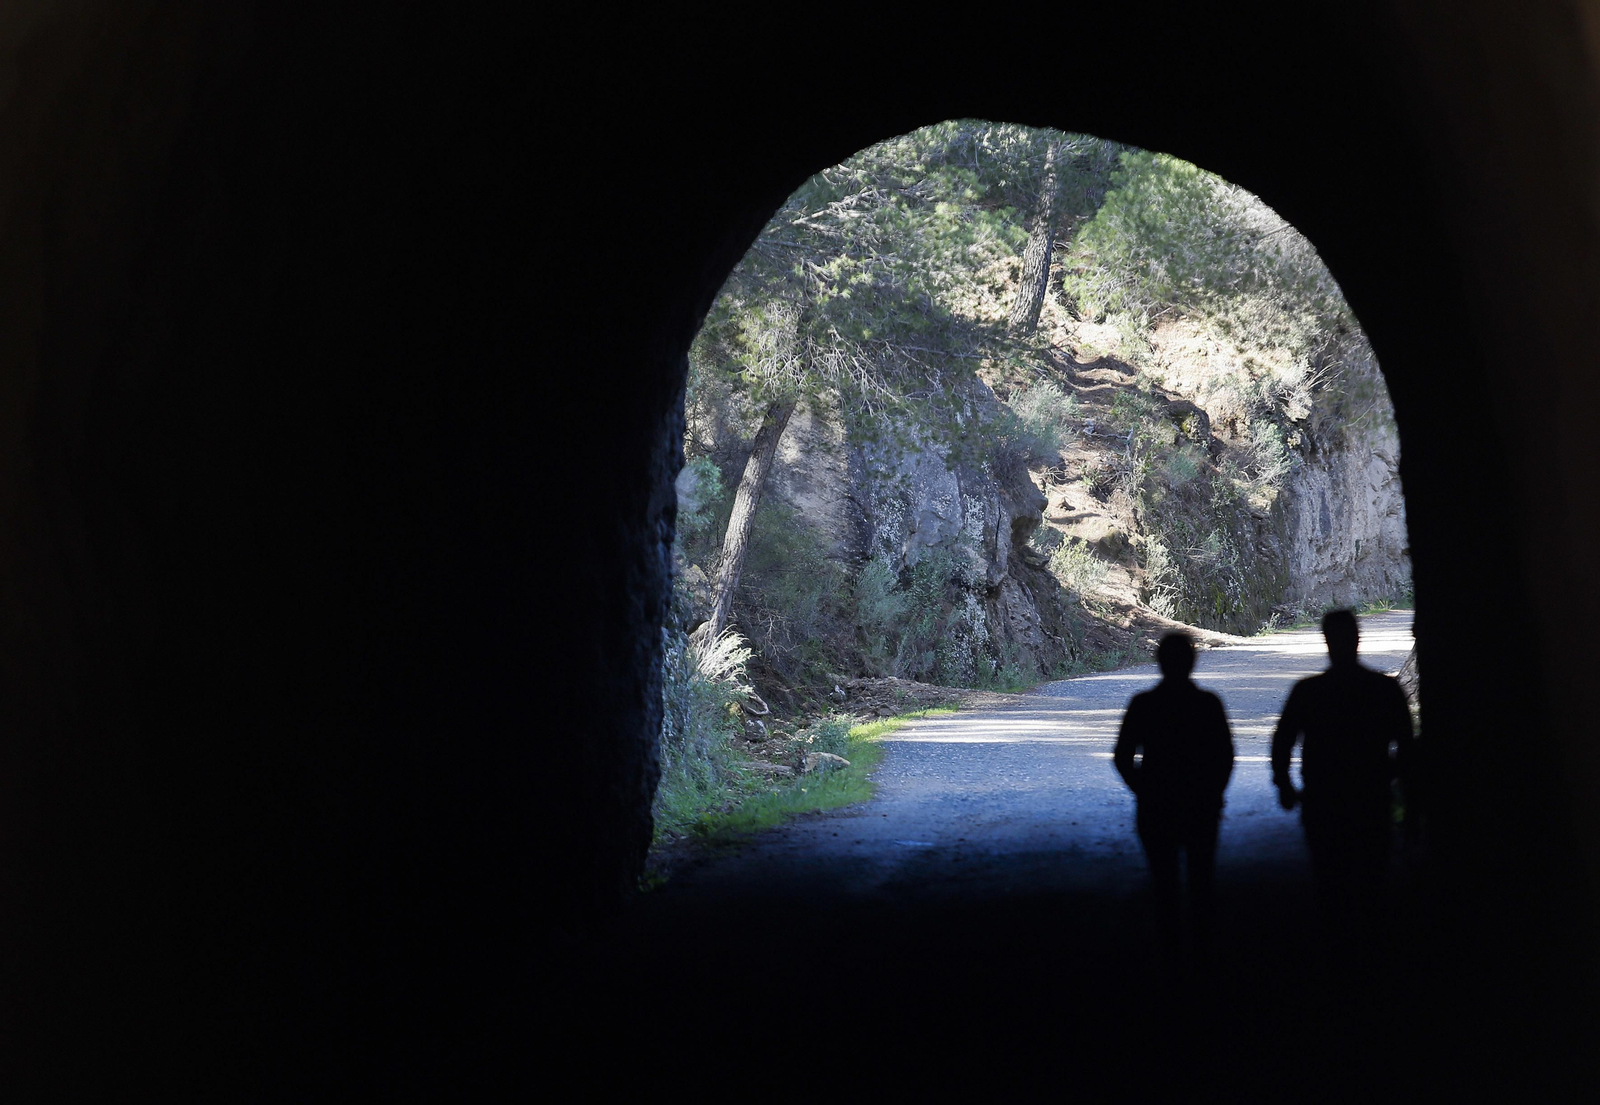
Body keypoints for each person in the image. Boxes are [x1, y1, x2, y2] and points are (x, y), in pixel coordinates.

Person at [1271, 609, 1415, 954]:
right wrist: (1411, 801)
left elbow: (1283, 742)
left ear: (1327, 642)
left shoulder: (1308, 692)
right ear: (1357, 639)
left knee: (1329, 885)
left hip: (1324, 802)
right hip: (1371, 801)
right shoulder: (1384, 689)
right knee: (1372, 884)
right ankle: (1371, 956)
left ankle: (1336, 958)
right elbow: (1408, 749)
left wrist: (1285, 786)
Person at [1114, 632, 1236, 975]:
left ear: (1160, 663)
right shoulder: (1208, 703)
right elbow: (1225, 756)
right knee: (1201, 882)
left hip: (1157, 809)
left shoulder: (1143, 704)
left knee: (1164, 885)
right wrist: (1213, 793)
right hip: (1199, 807)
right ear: (1193, 662)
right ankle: (1204, 958)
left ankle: (1169, 959)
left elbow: (1123, 757)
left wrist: (1144, 790)